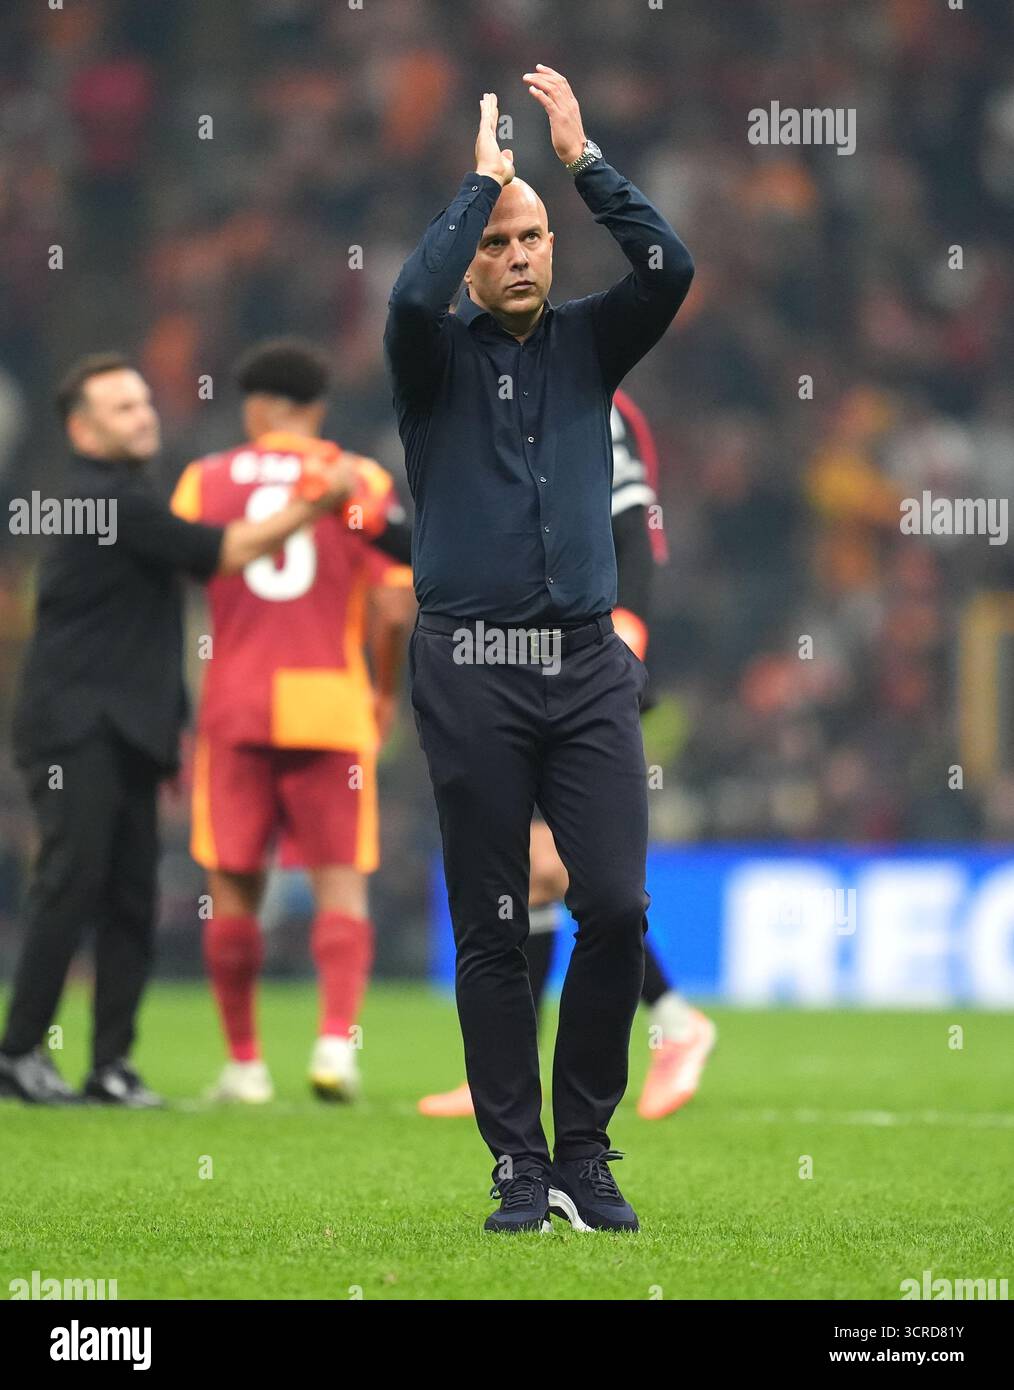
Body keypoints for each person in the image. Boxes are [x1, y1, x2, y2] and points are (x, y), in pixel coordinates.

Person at [385, 70, 694, 1232]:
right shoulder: (433, 358)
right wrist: (477, 181)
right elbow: (409, 300)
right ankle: (518, 1164)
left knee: (614, 903)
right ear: (474, 257)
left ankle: (586, 1149)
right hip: (470, 665)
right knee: (495, 924)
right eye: (499, 242)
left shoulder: (589, 345)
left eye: (534, 239)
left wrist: (578, 162)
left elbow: (671, 266)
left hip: (583, 663)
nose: (520, 255)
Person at [0, 353, 354, 1106]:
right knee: (71, 882)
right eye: (123, 408)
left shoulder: (130, 496)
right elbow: (219, 553)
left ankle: (110, 1066)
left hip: (129, 728)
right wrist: (315, 506)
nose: (144, 416)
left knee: (129, 893)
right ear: (81, 429)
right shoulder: (111, 502)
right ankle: (20, 1051)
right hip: (76, 728)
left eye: (143, 403)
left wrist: (168, 729)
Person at [418, 389, 716, 1123]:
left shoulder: (580, 391)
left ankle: (673, 1022)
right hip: (507, 660)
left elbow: (632, 518)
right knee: (538, 874)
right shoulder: (480, 397)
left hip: (578, 660)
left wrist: (628, 634)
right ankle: (521, 1064)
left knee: (555, 868)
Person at [170, 339, 414, 1103]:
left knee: (234, 889)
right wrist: (383, 690)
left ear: (258, 406)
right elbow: (393, 602)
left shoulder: (203, 480)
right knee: (340, 884)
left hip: (234, 700)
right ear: (314, 408)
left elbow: (181, 579)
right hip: (330, 701)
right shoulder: (359, 479)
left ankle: (244, 1066)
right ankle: (335, 1048)